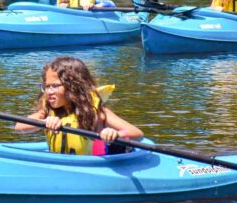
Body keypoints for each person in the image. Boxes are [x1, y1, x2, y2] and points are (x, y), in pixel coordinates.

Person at [14, 56, 143, 155]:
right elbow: (19, 127)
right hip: (58, 166)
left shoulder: (96, 112)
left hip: (91, 167)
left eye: (55, 86)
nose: (49, 92)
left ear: (73, 86)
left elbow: (137, 134)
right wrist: (43, 122)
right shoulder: (48, 110)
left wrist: (116, 134)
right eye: (46, 86)